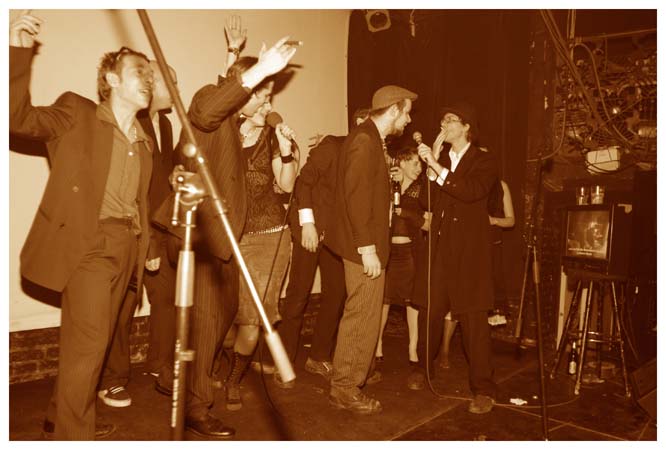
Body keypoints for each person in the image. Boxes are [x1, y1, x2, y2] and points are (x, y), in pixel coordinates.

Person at [10, 11, 155, 439]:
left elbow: (140, 203)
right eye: (139, 71)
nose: (149, 79)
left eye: (151, 74)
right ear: (111, 79)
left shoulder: (143, 142)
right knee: (90, 343)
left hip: (126, 247)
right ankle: (74, 437)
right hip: (89, 245)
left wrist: (146, 249)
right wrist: (17, 51)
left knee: (92, 343)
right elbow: (16, 117)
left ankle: (60, 415)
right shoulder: (77, 112)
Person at [161, 35, 296, 438]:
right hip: (202, 237)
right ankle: (195, 407)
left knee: (218, 320)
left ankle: (180, 381)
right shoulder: (209, 106)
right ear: (246, 90)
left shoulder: (236, 128)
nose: (268, 106)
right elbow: (208, 108)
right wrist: (257, 69)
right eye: (263, 97)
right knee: (206, 324)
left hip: (224, 241)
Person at [327, 85, 418, 414]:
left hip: (367, 244)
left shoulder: (370, 138)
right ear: (393, 110)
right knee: (362, 316)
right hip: (363, 247)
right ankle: (345, 387)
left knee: (364, 314)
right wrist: (367, 247)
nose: (408, 120)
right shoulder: (365, 140)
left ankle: (354, 376)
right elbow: (356, 197)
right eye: (406, 113)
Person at [96, 61, 179, 408]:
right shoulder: (132, 121)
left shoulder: (164, 124)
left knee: (166, 300)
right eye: (170, 82)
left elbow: (160, 179)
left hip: (159, 229)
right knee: (120, 307)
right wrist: (147, 240)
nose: (175, 89)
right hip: (134, 230)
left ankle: (160, 366)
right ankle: (112, 380)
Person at [410, 101, 499, 415]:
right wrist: (430, 168)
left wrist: (436, 166)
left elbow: (471, 191)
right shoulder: (442, 159)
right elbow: (426, 201)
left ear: (466, 127)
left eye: (450, 120)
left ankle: (483, 389)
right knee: (430, 311)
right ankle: (424, 369)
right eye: (442, 120)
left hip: (470, 252)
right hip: (440, 248)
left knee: (474, 320)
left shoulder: (484, 161)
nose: (443, 125)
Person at [274, 108, 370, 387]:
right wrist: (308, 223)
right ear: (358, 124)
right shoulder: (332, 145)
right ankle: (284, 362)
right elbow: (304, 182)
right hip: (310, 226)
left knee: (336, 294)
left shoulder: (369, 155)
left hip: (335, 235)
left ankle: (318, 356)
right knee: (299, 293)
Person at [223, 95, 298, 409]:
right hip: (228, 237)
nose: (268, 107)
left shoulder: (272, 139)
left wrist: (286, 149)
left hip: (269, 239)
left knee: (253, 319)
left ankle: (234, 380)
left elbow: (287, 185)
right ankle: (232, 358)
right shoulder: (223, 135)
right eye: (262, 100)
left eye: (270, 101)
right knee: (226, 316)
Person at [437, 177, 515, 368]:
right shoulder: (466, 184)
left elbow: (511, 221)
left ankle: (478, 357)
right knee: (458, 299)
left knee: (482, 303)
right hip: (467, 248)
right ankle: (444, 351)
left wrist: (493, 220)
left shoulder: (501, 186)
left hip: (490, 249)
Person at [375, 146, 424, 367]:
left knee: (412, 302)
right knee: (383, 301)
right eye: (415, 163)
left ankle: (412, 347)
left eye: (420, 163)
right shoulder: (388, 186)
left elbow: (427, 222)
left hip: (410, 253)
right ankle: (377, 344)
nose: (419, 168)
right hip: (388, 252)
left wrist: (404, 212)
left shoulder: (421, 190)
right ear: (402, 163)